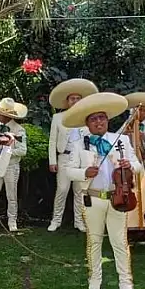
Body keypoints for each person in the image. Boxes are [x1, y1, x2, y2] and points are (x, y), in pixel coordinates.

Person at [61, 92, 142, 289]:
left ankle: (126, 282)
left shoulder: (121, 139)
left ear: (108, 120)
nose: (99, 122)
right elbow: (68, 170)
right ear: (87, 123)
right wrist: (83, 173)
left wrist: (129, 165)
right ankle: (95, 278)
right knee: (94, 241)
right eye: (94, 119)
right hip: (93, 198)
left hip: (118, 197)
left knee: (119, 241)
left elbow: (138, 166)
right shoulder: (80, 144)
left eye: (102, 118)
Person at [48, 78, 98, 232]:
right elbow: (52, 140)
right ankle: (56, 220)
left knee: (79, 190)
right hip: (64, 156)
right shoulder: (58, 118)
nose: (75, 101)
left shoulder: (86, 118)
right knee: (62, 189)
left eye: (78, 99)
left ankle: (79, 221)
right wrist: (52, 160)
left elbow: (92, 138)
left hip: (81, 158)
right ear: (67, 101)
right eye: (72, 99)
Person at [0, 98, 29, 232]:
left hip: (11, 166)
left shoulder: (19, 130)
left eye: (0, 113)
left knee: (11, 196)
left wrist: (7, 152)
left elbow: (23, 150)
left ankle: (12, 221)